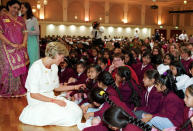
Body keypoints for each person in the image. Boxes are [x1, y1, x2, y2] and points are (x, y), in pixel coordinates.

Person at [19, 42, 83, 126]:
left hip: (51, 97)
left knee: (77, 111)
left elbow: (56, 88)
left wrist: (75, 87)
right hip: (38, 100)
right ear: (56, 54)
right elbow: (33, 94)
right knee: (69, 117)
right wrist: (55, 101)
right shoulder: (36, 67)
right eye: (62, 57)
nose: (63, 60)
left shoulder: (54, 67)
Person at [0, 0, 29, 97]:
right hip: (6, 48)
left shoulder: (21, 20)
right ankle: (7, 90)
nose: (16, 10)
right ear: (9, 7)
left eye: (18, 8)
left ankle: (17, 89)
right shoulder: (2, 18)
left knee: (21, 68)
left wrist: (24, 43)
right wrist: (11, 44)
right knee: (8, 68)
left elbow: (25, 32)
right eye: (14, 7)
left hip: (20, 47)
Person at [21, 2, 40, 67]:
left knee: (32, 61)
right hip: (21, 41)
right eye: (20, 8)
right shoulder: (19, 19)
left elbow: (37, 32)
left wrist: (26, 32)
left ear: (27, 8)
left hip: (31, 42)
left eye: (22, 8)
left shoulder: (33, 19)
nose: (21, 9)